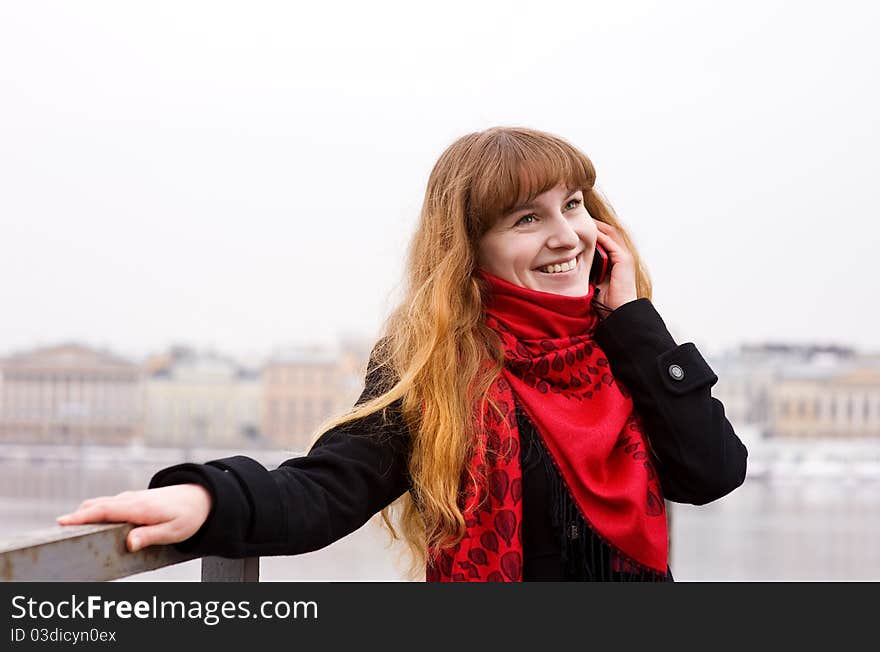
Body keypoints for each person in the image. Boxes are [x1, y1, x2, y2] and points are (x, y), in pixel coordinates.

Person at [57, 126, 748, 582]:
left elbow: (712, 472)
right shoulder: (439, 364)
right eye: (527, 219)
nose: (567, 236)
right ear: (470, 248)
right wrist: (211, 497)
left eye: (572, 204)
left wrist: (632, 319)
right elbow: (330, 488)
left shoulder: (623, 350)